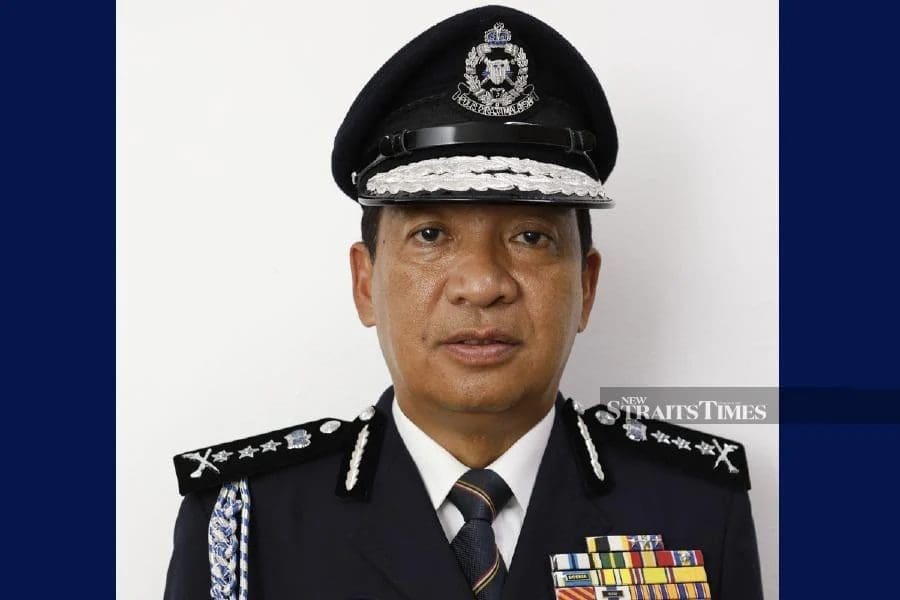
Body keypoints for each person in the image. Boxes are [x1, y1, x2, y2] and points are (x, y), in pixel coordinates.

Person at [164, 5, 764, 600]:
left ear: (587, 286)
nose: (482, 284)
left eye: (531, 237)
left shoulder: (696, 508)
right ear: (365, 282)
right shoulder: (249, 522)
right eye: (431, 235)